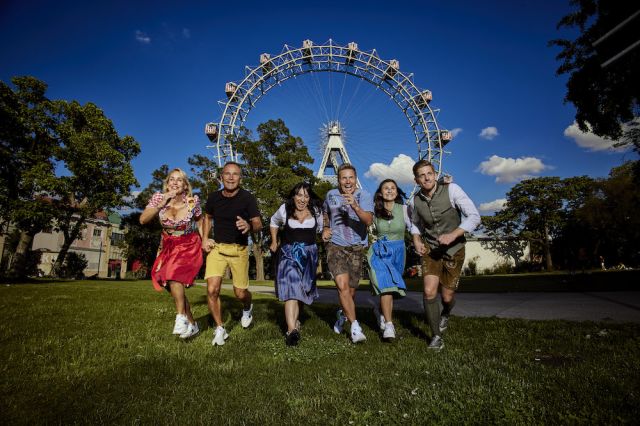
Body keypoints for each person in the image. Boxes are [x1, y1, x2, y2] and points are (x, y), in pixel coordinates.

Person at [410, 160, 480, 350]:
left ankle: (446, 312)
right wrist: (416, 239)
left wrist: (453, 234)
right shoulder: (415, 200)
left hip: (454, 250)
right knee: (429, 290)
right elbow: (415, 223)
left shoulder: (452, 190)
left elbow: (474, 216)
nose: (426, 178)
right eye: (421, 175)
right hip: (431, 249)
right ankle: (436, 336)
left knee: (447, 297)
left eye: (429, 173)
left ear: (435, 174)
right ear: (416, 180)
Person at [202, 161, 262, 346]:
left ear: (240, 178)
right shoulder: (213, 198)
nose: (230, 177)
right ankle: (220, 329)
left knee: (240, 293)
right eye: (227, 173)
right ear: (221, 177)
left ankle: (247, 306)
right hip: (218, 249)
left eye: (235, 174)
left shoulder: (247, 198)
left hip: (239, 250)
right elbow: (208, 218)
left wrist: (249, 225)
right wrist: (204, 238)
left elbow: (258, 223)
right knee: (212, 289)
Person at [139, 168, 203, 339]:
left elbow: (200, 221)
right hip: (167, 246)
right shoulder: (159, 199)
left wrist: (205, 240)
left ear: (185, 185)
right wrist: (160, 204)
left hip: (188, 244)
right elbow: (143, 219)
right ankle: (193, 324)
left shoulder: (192, 202)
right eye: (172, 179)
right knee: (173, 287)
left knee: (174, 277)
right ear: (167, 184)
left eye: (179, 180)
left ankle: (180, 317)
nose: (175, 182)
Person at [322, 164, 374, 343]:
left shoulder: (364, 195)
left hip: (356, 248)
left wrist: (356, 206)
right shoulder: (330, 195)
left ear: (356, 178)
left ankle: (343, 313)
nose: (347, 181)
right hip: (335, 246)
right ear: (338, 180)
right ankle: (355, 327)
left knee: (350, 292)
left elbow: (368, 220)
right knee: (342, 287)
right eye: (343, 178)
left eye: (351, 177)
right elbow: (325, 212)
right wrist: (326, 227)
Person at [269, 182, 323, 346]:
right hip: (289, 253)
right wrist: (274, 241)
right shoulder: (285, 209)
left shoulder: (316, 212)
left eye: (306, 196)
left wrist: (326, 231)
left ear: (309, 198)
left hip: (309, 255)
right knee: (291, 287)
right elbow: (273, 221)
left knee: (302, 290)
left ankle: (296, 322)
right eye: (299, 195)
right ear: (294, 196)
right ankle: (291, 330)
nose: (302, 199)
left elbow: (321, 229)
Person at [367, 179, 420, 341]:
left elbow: (414, 227)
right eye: (386, 188)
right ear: (380, 193)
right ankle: (389, 325)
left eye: (392, 188)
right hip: (380, 251)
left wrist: (417, 241)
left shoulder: (404, 209)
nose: (389, 190)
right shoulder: (375, 211)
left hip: (398, 252)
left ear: (397, 192)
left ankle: (381, 312)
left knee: (391, 288)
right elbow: (367, 229)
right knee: (386, 286)